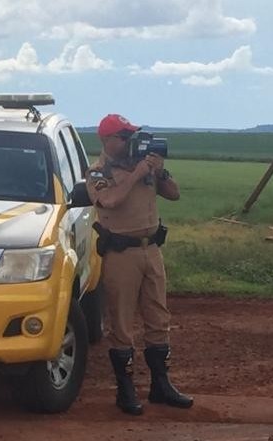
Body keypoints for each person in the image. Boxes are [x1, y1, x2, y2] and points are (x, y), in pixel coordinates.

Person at [85, 113, 192, 416]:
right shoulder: (97, 172)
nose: (129, 141)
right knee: (121, 322)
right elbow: (110, 201)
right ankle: (125, 391)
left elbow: (174, 194)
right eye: (123, 136)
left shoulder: (145, 167)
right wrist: (134, 175)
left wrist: (161, 172)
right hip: (122, 254)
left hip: (151, 249)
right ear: (106, 140)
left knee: (159, 317)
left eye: (130, 134)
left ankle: (161, 385)